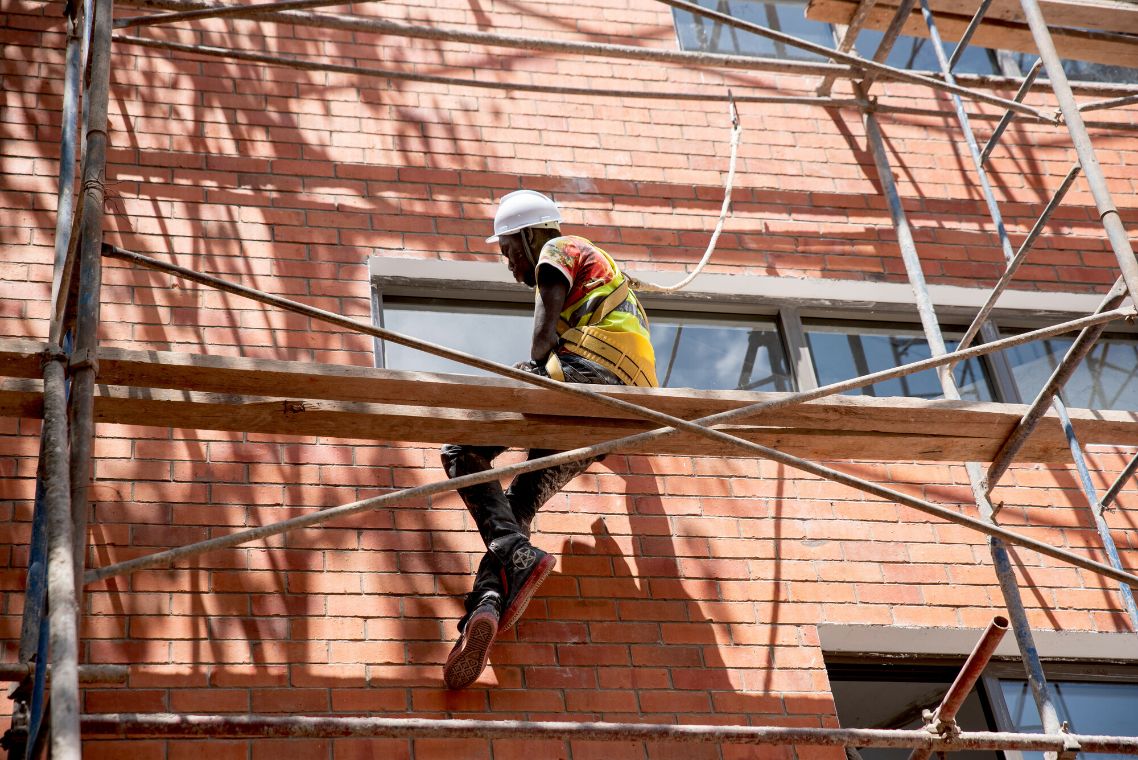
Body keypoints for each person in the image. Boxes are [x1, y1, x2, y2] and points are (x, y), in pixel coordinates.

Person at [440, 189, 658, 690]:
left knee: (462, 450)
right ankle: (489, 604)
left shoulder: (558, 248)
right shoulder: (610, 280)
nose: (511, 266)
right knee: (519, 500)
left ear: (528, 235)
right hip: (619, 410)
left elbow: (541, 342)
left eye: (508, 251)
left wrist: (531, 365)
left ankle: (514, 558)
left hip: (589, 377)